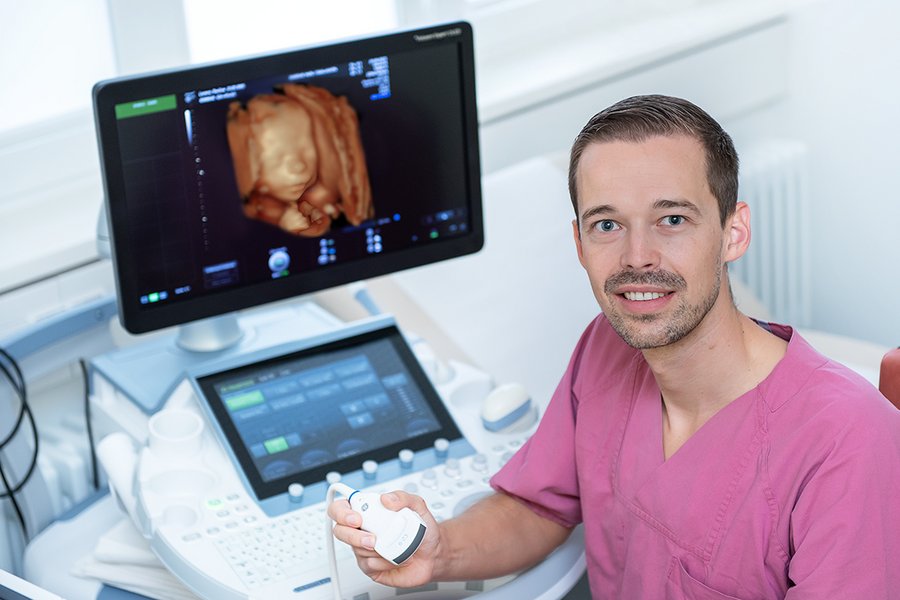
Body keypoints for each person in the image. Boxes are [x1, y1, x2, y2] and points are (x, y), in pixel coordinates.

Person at [329, 95, 900, 598]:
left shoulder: (847, 440)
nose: (636, 257)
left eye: (671, 219)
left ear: (733, 231)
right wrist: (440, 551)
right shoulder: (606, 347)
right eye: (607, 225)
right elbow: (538, 506)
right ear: (578, 242)